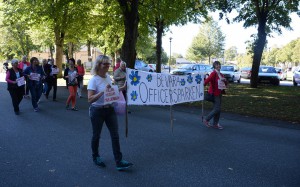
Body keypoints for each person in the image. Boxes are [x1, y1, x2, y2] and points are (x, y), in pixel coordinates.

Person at [87, 55, 133, 171]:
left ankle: (119, 161)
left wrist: (123, 87)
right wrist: (102, 91)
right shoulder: (94, 80)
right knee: (96, 135)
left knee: (115, 135)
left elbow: (113, 92)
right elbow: (90, 99)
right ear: (98, 65)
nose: (108, 66)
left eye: (109, 63)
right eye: (105, 64)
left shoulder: (108, 77)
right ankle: (95, 156)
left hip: (110, 110)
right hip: (97, 111)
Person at [203, 61, 228, 130]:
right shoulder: (213, 73)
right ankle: (206, 119)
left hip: (219, 93)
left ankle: (215, 124)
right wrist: (201, 86)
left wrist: (225, 80)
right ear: (214, 66)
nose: (218, 66)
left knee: (218, 109)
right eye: (217, 65)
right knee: (217, 109)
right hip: (214, 94)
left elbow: (225, 84)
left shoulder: (220, 74)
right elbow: (207, 80)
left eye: (219, 64)